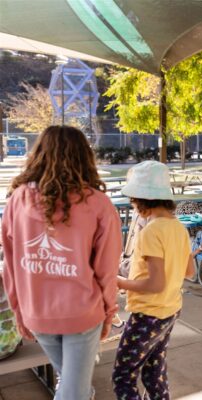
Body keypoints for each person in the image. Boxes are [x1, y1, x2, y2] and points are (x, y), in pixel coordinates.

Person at [2, 125, 121, 400]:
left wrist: (19, 310)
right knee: (73, 392)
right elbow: (107, 270)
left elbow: (11, 265)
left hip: (37, 313)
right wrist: (108, 311)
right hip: (82, 312)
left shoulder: (17, 200)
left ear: (39, 154)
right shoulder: (99, 204)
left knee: (71, 384)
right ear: (84, 157)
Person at [113, 161, 195, 399]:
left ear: (141, 200)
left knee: (123, 376)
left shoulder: (150, 231)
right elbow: (189, 270)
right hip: (170, 310)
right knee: (154, 371)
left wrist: (118, 281)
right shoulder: (178, 227)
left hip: (147, 315)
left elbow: (154, 284)